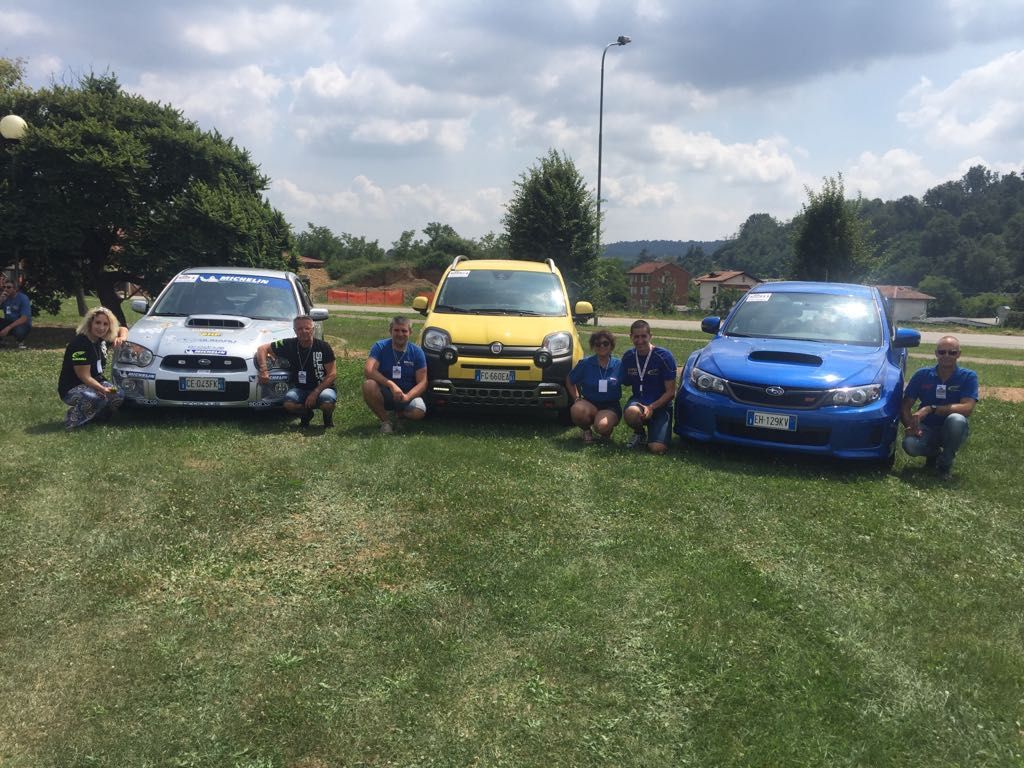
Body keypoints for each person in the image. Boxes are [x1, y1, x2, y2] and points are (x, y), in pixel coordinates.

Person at [901, 335, 978, 480]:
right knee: (909, 445)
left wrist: (931, 408)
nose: (946, 356)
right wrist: (911, 426)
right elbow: (905, 406)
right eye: (942, 352)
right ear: (936, 353)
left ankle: (944, 465)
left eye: (952, 352)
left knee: (957, 419)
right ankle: (934, 454)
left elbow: (967, 407)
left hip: (951, 430)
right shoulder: (922, 375)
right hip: (926, 428)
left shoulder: (968, 376)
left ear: (959, 354)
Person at [256, 315, 337, 427]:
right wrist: (264, 370)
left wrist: (315, 393)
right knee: (289, 404)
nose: (303, 331)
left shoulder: (324, 346)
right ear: (295, 331)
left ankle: (327, 418)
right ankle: (306, 414)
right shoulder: (288, 344)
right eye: (299, 329)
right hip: (301, 389)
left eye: (307, 328)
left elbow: (332, 374)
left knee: (327, 403)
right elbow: (262, 348)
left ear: (313, 329)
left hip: (322, 388)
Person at [58, 306, 126, 429]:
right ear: (90, 323)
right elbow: (84, 376)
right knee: (95, 397)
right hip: (73, 387)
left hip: (97, 383)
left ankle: (97, 418)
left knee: (118, 393)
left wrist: (121, 338)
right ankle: (73, 421)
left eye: (106, 324)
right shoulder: (80, 344)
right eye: (98, 323)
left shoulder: (101, 339)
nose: (101, 328)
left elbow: (123, 329)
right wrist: (102, 389)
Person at [362, 316, 427, 434]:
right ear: (390, 331)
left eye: (404, 331)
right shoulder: (380, 347)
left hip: (407, 394)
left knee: (419, 410)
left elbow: (423, 382)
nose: (400, 334)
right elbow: (368, 371)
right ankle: (386, 421)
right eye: (396, 330)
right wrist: (391, 385)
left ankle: (399, 416)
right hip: (385, 392)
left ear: (410, 332)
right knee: (368, 385)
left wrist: (408, 397)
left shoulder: (417, 352)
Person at [621, 319, 677, 454]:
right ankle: (640, 433)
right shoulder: (628, 357)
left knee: (657, 449)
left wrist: (651, 407)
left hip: (661, 405)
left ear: (650, 336)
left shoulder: (664, 356)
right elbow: (624, 381)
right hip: (639, 402)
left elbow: (671, 392)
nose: (640, 341)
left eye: (643, 336)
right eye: (636, 337)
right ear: (631, 337)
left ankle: (655, 428)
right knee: (631, 412)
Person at [565, 329, 623, 444]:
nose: (602, 346)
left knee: (602, 426)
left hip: (610, 406)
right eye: (598, 344)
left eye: (605, 343)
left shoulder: (619, 365)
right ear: (593, 346)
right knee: (576, 409)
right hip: (589, 403)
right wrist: (576, 398)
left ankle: (605, 431)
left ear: (611, 345)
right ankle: (586, 430)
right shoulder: (585, 364)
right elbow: (569, 380)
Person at [0, 280, 32, 349]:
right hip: (8, 321)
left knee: (19, 331)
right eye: (4, 287)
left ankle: (20, 341)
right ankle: (1, 342)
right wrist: (1, 300)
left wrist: (8, 328)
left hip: (22, 323)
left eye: (8, 287)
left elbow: (24, 318)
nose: (5, 289)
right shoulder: (4, 297)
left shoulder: (23, 298)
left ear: (15, 289)